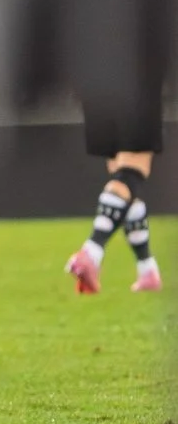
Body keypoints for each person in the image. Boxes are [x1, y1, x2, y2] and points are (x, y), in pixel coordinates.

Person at [65, 122, 162, 295]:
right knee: (131, 172)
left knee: (124, 177)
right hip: (135, 106)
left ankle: (147, 270)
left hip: (103, 106)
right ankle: (91, 252)